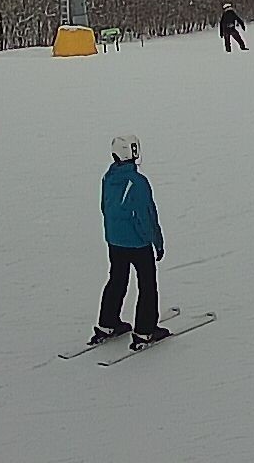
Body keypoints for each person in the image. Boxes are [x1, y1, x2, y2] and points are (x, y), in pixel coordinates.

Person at [91, 134, 171, 349]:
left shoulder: (108, 177)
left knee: (116, 279)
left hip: (114, 241)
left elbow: (104, 207)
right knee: (147, 284)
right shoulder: (138, 182)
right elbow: (147, 215)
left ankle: (107, 323)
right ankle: (145, 330)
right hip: (137, 243)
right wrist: (156, 241)